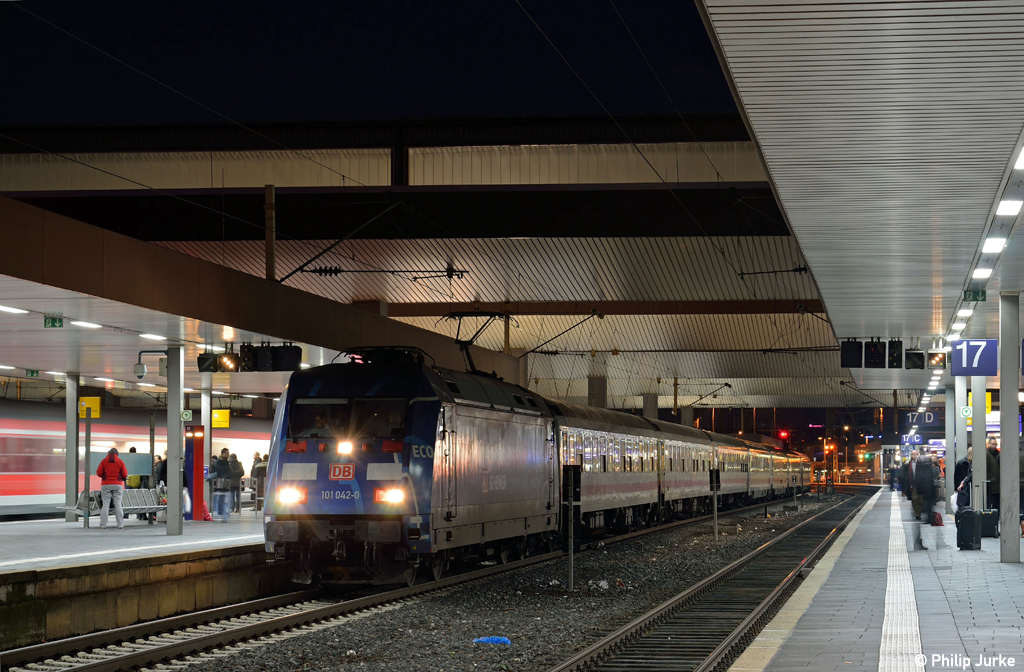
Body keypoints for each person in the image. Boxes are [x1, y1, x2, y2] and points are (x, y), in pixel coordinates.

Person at [96, 448, 128, 529]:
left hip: (106, 484)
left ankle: (103, 525)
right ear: (117, 454)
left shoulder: (103, 461)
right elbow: (125, 474)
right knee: (118, 504)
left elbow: (99, 473)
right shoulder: (120, 462)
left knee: (105, 504)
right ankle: (120, 524)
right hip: (117, 484)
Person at [209, 448, 233, 522]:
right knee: (219, 499)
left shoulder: (225, 463)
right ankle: (219, 514)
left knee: (222, 499)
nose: (228, 454)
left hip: (224, 484)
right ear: (223, 454)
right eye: (226, 453)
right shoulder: (219, 463)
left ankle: (222, 514)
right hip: (219, 484)